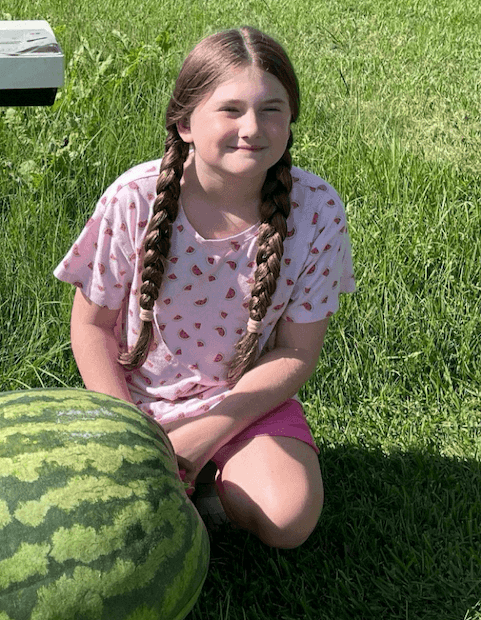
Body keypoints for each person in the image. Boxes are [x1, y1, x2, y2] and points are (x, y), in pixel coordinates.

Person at [54, 27, 356, 549]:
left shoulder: (317, 210)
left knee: (289, 519)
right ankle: (193, 491)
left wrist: (204, 433)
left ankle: (212, 486)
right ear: (185, 122)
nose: (252, 128)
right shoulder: (135, 199)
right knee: (86, 527)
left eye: (272, 109)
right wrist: (132, 433)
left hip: (244, 400)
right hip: (136, 399)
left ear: (292, 120)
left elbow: (296, 353)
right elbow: (91, 323)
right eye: (231, 109)